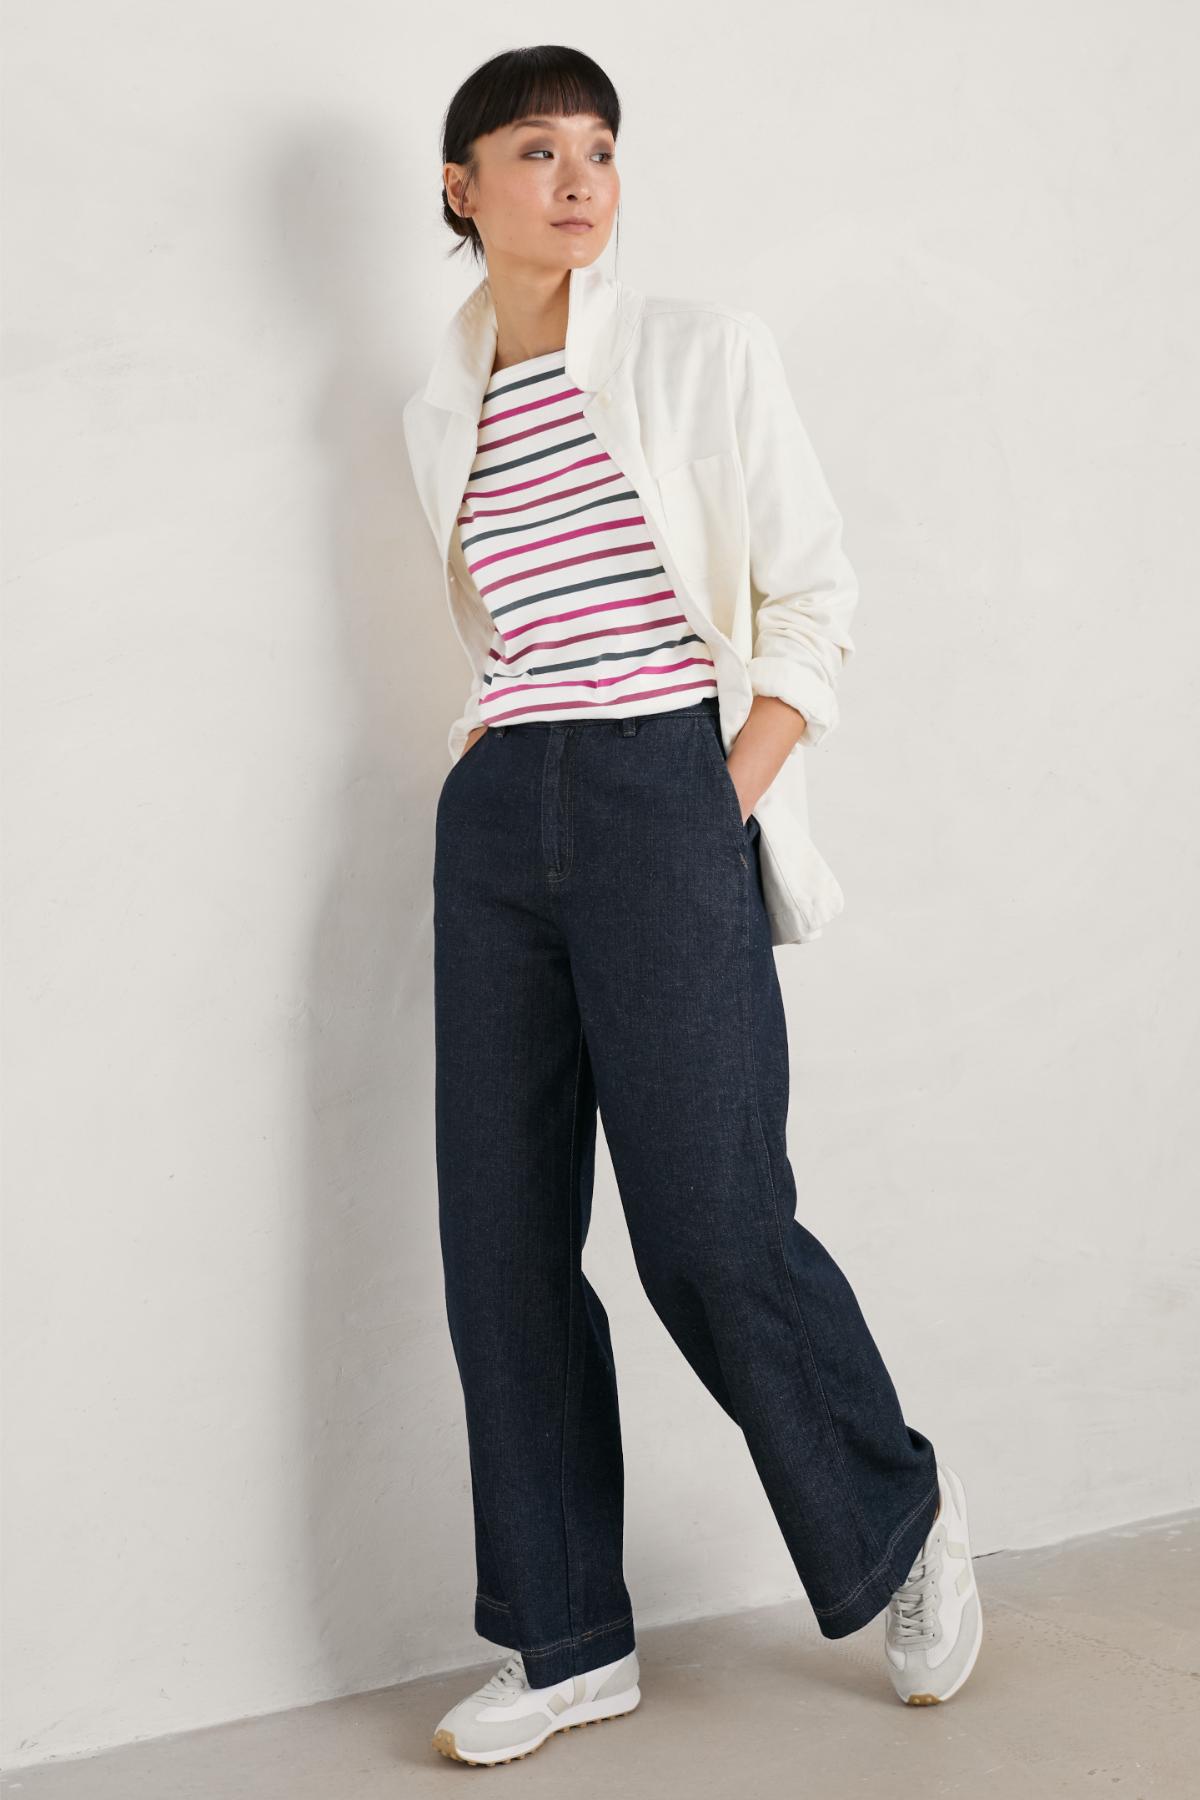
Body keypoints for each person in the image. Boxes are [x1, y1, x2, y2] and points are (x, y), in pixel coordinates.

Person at [402, 44, 983, 1769]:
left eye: (600, 149)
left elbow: (813, 595)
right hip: (500, 812)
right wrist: (496, 755)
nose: (579, 178)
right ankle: (565, 1638)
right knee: (501, 1243)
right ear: (462, 189)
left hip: (665, 784)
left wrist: (719, 793)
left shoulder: (698, 351)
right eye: (535, 151)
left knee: (712, 1229)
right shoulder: (438, 404)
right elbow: (509, 619)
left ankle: (894, 1516)